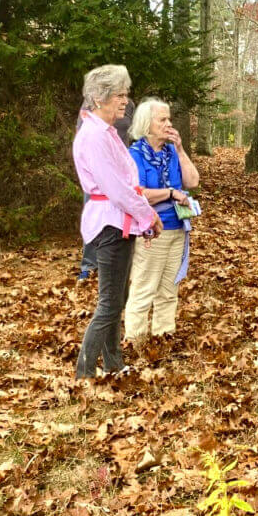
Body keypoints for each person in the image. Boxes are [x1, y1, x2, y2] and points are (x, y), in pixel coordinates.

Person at [72, 65, 162, 379]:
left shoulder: (106, 132)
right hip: (110, 224)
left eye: (125, 94)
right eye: (119, 95)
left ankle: (113, 363)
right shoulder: (95, 135)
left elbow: (124, 184)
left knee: (117, 298)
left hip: (119, 221)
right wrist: (147, 215)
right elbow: (116, 188)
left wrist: (141, 217)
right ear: (99, 98)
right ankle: (84, 372)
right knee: (110, 302)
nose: (125, 101)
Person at [123, 97, 200, 342]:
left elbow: (192, 182)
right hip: (151, 230)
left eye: (170, 119)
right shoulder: (135, 154)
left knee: (169, 289)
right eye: (162, 119)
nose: (169, 124)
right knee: (144, 288)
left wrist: (180, 149)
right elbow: (137, 192)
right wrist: (169, 193)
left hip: (177, 228)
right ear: (147, 124)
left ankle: (163, 339)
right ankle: (136, 342)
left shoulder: (170, 152)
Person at [77, 106, 133, 281]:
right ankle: (89, 264)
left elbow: (133, 134)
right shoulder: (91, 105)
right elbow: (83, 134)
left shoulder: (129, 105)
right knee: (95, 217)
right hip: (99, 169)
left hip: (121, 169)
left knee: (121, 217)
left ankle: (118, 262)